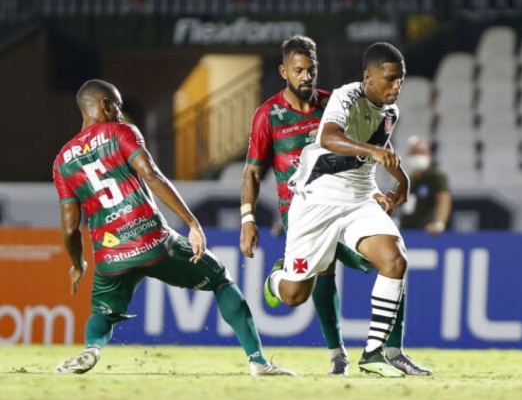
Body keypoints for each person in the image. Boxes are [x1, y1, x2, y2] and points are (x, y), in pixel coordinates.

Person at [53, 79, 294, 377]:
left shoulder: (63, 159)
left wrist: (77, 263)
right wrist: (192, 223)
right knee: (221, 280)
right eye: (116, 106)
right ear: (104, 104)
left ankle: (91, 350)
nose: (119, 113)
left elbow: (69, 226)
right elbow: (151, 175)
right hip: (151, 239)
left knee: (103, 311)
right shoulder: (121, 132)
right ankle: (258, 361)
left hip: (110, 254)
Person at [241, 37, 431, 376]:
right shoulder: (273, 113)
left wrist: (394, 184)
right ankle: (283, 286)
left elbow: (366, 158)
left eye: (311, 70)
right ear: (284, 72)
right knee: (299, 292)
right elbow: (258, 169)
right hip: (308, 204)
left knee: (393, 259)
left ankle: (382, 351)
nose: (306, 76)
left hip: (355, 200)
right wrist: (248, 218)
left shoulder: (353, 104)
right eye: (299, 70)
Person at [399, 135, 452, 234]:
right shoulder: (406, 179)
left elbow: (444, 200)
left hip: (426, 233)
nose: (418, 156)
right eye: (414, 153)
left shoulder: (436, 177)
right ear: (408, 155)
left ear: (429, 154)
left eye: (421, 152)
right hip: (405, 232)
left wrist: (439, 223)